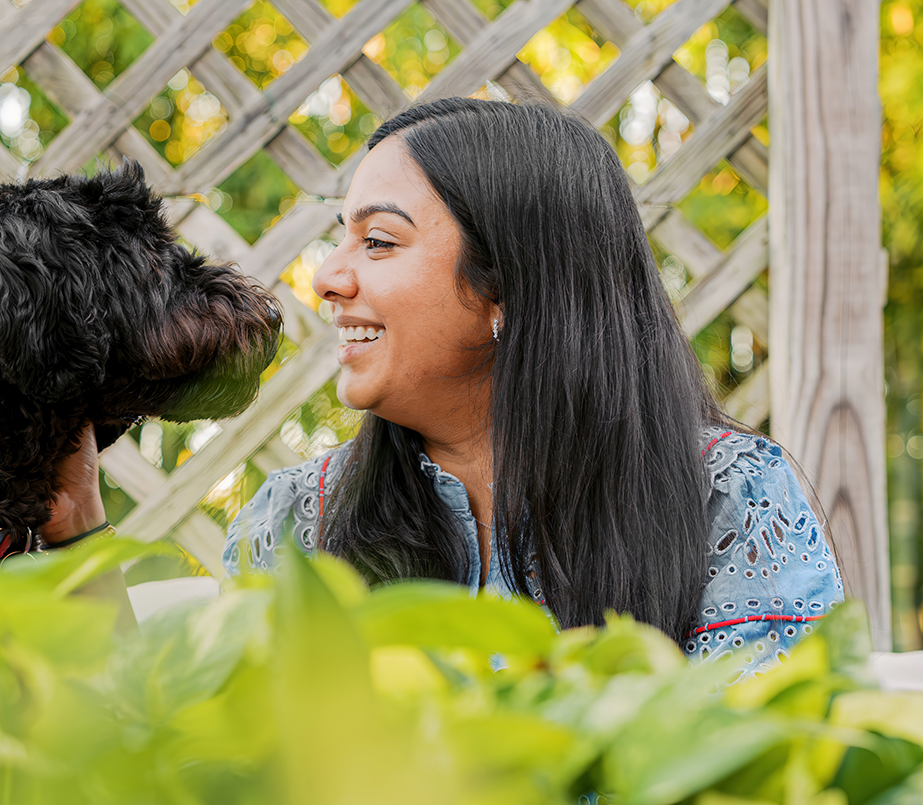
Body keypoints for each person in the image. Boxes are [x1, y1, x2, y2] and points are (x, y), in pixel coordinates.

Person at [224, 97, 843, 670]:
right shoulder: (293, 522)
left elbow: (765, 760)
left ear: (508, 290)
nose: (327, 276)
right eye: (341, 238)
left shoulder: (728, 499)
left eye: (378, 241)